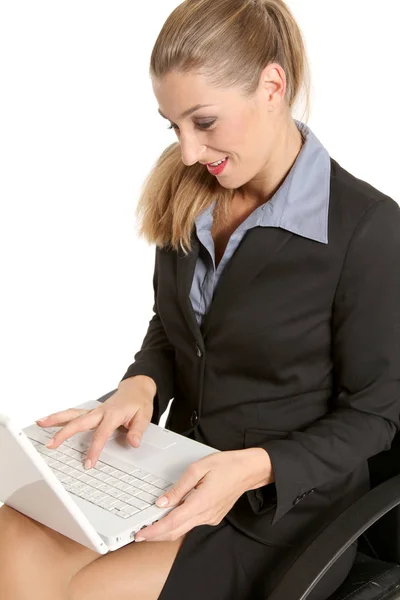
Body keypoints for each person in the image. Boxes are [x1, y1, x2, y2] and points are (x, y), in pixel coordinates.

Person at [1, 0, 399, 599]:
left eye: (204, 122)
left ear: (272, 85)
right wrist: (141, 383)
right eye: (173, 126)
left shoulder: (366, 230)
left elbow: (376, 415)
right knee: (12, 531)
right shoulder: (191, 191)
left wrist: (253, 466)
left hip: (280, 512)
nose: (188, 152)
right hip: (168, 471)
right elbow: (177, 324)